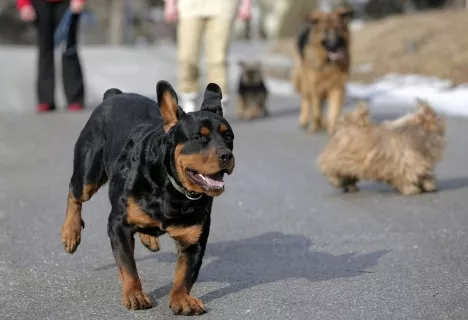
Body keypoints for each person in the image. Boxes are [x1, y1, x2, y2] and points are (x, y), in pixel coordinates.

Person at [164, 0, 252, 112]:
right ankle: (189, 97)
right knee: (187, 58)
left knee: (217, 59)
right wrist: (170, 4)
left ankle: (217, 102)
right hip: (189, 6)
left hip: (223, 6)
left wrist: (246, 4)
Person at [17, 0, 86, 113]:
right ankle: (45, 100)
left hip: (67, 3)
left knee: (68, 49)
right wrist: (24, 4)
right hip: (40, 4)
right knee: (45, 49)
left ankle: (75, 98)